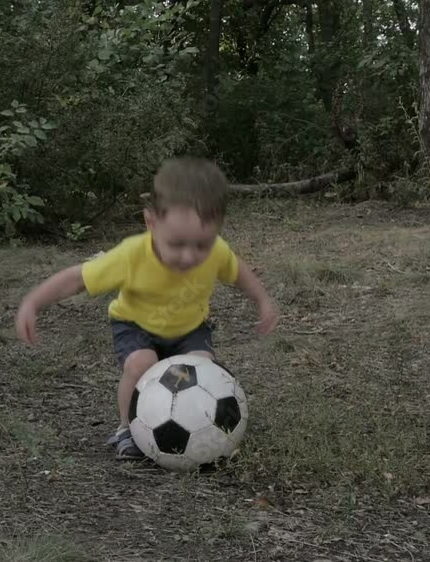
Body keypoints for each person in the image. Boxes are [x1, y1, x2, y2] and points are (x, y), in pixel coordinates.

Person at [14, 157, 279, 460]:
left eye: (202, 244)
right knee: (140, 365)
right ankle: (128, 427)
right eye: (177, 244)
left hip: (190, 328)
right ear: (151, 222)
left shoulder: (216, 251)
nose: (189, 256)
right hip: (135, 325)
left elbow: (238, 272)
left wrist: (262, 299)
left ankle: (208, 430)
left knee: (202, 367)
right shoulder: (131, 255)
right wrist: (34, 302)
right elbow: (77, 279)